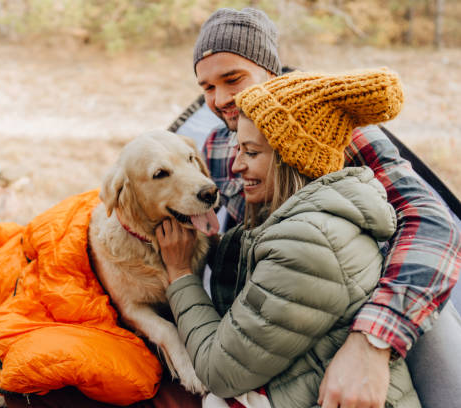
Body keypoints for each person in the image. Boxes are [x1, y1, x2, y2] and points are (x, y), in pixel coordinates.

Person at [189, 8, 460, 408]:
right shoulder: (214, 147)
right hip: (287, 300)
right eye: (206, 87)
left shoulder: (335, 130)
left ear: (270, 70)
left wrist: (373, 339)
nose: (220, 99)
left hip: (377, 291)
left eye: (233, 79)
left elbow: (430, 222)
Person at [157, 68, 420, 407]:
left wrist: (179, 274)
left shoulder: (309, 244)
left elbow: (219, 373)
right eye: (238, 150)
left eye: (250, 153)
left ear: (291, 158)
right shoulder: (295, 223)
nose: (236, 166)